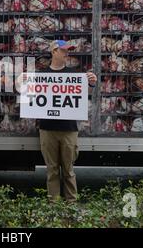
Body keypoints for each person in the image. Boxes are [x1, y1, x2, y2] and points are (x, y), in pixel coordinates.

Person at [39, 40, 97, 202]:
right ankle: (54, 205)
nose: (67, 54)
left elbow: (86, 93)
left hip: (69, 129)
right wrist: (20, 82)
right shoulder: (42, 76)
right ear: (54, 52)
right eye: (64, 50)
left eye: (68, 51)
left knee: (68, 170)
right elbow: (28, 98)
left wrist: (92, 83)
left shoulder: (73, 74)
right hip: (47, 129)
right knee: (52, 170)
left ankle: (71, 204)